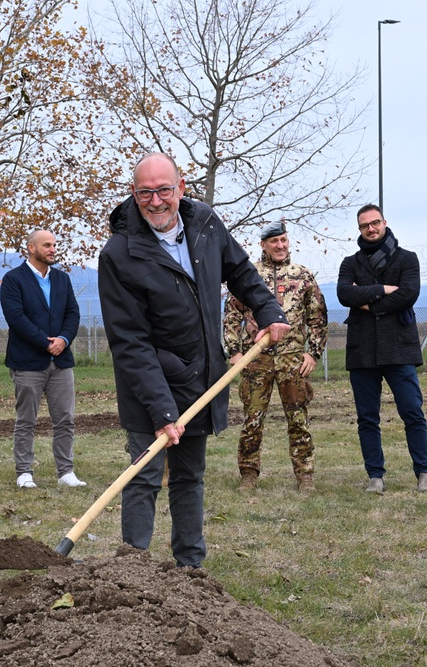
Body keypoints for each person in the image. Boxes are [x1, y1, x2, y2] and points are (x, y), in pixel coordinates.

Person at [98, 152, 291, 568]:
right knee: (145, 475)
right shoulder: (119, 254)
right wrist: (162, 409)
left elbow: (241, 272)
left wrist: (269, 311)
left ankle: (190, 569)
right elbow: (130, 342)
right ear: (133, 193)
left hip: (201, 378)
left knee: (189, 477)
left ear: (181, 188)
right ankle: (133, 570)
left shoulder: (205, 223)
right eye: (145, 192)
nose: (155, 201)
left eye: (163, 190)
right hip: (149, 384)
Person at [223, 221, 328, 495]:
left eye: (283, 240)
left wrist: (313, 353)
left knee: (298, 420)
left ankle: (305, 475)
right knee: (252, 420)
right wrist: (234, 352)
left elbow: (318, 319)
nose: (280, 246)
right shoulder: (248, 275)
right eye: (274, 241)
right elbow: (232, 315)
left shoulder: (303, 276)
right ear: (263, 245)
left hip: (292, 361)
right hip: (256, 360)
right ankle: (248, 475)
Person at [336, 204, 427, 493]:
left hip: (399, 349)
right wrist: (383, 289)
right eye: (365, 225)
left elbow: (408, 295)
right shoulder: (349, 263)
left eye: (375, 222)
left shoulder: (407, 259)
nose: (371, 228)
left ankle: (424, 472)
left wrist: (365, 302)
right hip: (362, 350)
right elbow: (344, 294)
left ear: (384, 222)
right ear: (359, 229)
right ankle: (375, 476)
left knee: (412, 412)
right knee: (367, 418)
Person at [0, 230, 86, 489]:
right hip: (27, 362)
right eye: (47, 245)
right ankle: (24, 472)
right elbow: (16, 318)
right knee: (26, 420)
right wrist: (46, 342)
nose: (52, 249)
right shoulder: (13, 279)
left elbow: (73, 313)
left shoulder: (62, 279)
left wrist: (64, 340)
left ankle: (65, 472)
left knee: (65, 419)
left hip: (61, 363)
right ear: (31, 248)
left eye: (54, 245)